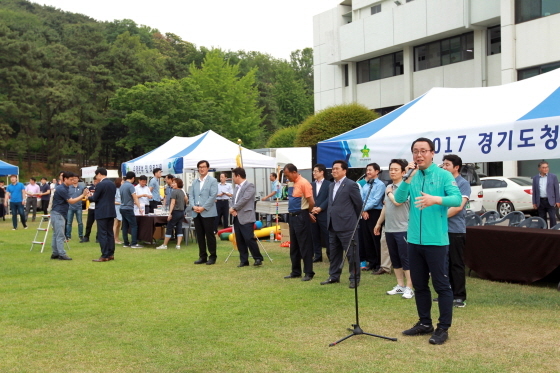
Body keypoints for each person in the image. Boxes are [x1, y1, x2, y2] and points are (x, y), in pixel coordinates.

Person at [395, 137, 462, 345]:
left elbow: (457, 199)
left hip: (436, 241)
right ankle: (425, 323)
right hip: (414, 240)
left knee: (441, 285)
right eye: (415, 151)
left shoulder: (443, 175)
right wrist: (407, 176)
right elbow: (398, 198)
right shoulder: (412, 176)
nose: (419, 155)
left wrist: (436, 200)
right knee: (420, 285)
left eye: (424, 151)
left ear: (432, 153)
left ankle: (443, 328)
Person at [374, 159, 414, 299]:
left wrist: (389, 192)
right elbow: (386, 207)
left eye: (396, 169)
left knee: (406, 259)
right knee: (395, 259)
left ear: (404, 172)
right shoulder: (389, 187)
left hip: (403, 228)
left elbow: (397, 201)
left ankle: (410, 287)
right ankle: (400, 285)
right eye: (391, 169)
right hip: (389, 228)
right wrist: (379, 223)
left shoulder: (407, 187)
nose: (392, 172)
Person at [321, 160, 362, 288]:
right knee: (334, 253)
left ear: (344, 170)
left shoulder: (351, 185)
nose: (334, 171)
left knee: (351, 254)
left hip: (347, 225)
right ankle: (334, 276)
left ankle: (354, 278)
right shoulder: (331, 186)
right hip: (333, 225)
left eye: (337, 169)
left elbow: (358, 204)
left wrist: (352, 220)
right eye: (333, 169)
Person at [441, 154, 471, 308]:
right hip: (441, 229)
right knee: (443, 263)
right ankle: (446, 294)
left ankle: (459, 296)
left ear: (456, 167)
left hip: (455, 230)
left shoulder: (462, 183)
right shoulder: (443, 182)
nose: (444, 167)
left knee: (456, 264)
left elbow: (458, 206)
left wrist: (439, 217)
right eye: (443, 164)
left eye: (447, 165)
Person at [282, 164, 315, 281]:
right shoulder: (291, 183)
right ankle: (295, 271)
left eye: (288, 175)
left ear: (294, 172)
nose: (287, 178)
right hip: (292, 216)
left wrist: (308, 213)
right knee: (294, 246)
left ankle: (308, 272)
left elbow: (311, 201)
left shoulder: (304, 183)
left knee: (304, 245)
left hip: (301, 215)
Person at [50, 172, 90, 260]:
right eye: (71, 179)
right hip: (58, 213)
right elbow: (71, 201)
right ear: (65, 179)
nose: (73, 181)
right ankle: (61, 254)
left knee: (56, 234)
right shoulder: (62, 189)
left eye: (74, 179)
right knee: (60, 234)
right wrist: (83, 195)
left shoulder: (65, 187)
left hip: (58, 212)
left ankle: (55, 253)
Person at [229, 167, 264, 267]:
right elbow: (232, 200)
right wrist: (232, 209)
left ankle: (257, 258)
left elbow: (245, 199)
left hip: (247, 216)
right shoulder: (236, 188)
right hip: (237, 217)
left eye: (233, 176)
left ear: (238, 176)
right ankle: (244, 260)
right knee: (240, 240)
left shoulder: (250, 186)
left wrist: (234, 208)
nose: (233, 178)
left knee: (249, 238)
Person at [189, 160, 218, 265]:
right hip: (196, 212)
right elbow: (191, 195)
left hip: (208, 212)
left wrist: (203, 207)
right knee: (199, 235)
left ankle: (212, 256)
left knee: (209, 235)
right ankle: (202, 256)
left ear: (208, 168)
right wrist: (193, 206)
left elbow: (213, 196)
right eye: (200, 167)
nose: (202, 169)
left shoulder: (213, 180)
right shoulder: (195, 181)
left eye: (204, 167)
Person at [359, 163, 386, 274]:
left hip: (375, 213)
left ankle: (379, 263)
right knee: (367, 238)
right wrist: (363, 211)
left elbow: (376, 200)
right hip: (365, 213)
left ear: (377, 171)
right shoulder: (366, 184)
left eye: (370, 170)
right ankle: (372, 262)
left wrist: (363, 209)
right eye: (367, 170)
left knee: (375, 238)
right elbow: (361, 198)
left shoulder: (380, 185)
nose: (368, 172)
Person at [87, 167, 117, 262]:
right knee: (110, 233)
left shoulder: (100, 185)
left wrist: (89, 196)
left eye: (96, 175)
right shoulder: (113, 184)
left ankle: (104, 255)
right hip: (111, 211)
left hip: (102, 211)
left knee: (102, 233)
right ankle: (111, 253)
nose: (96, 177)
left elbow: (95, 198)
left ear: (99, 174)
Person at [157, 178, 188, 250]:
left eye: (174, 183)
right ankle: (178, 245)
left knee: (169, 227)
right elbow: (186, 200)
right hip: (181, 212)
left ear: (178, 184)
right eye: (173, 183)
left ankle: (164, 245)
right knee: (179, 228)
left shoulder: (174, 192)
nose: (172, 184)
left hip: (176, 212)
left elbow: (172, 203)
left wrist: (170, 213)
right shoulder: (182, 192)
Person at [310, 164, 331, 263]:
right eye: (313, 171)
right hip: (313, 213)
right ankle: (317, 255)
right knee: (314, 235)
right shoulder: (311, 185)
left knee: (327, 235)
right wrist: (312, 208)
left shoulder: (329, 184)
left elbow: (329, 198)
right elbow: (309, 197)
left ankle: (330, 254)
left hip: (324, 213)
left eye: (316, 171)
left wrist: (321, 208)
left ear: (322, 172)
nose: (314, 173)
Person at [120, 171, 145, 249]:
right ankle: (134, 243)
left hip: (122, 207)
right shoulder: (131, 186)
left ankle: (126, 243)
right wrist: (140, 208)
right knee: (134, 225)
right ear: (133, 178)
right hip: (128, 208)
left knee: (125, 226)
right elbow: (135, 197)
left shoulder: (122, 186)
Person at [532, 161, 560, 228]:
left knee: (552, 218)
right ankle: (544, 233)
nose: (545, 169)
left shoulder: (553, 177)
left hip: (551, 201)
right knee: (542, 219)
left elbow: (556, 190)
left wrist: (558, 201)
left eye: (547, 167)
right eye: (543, 167)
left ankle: (553, 234)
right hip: (540, 201)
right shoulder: (535, 178)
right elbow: (534, 191)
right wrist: (534, 202)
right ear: (539, 169)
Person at [65, 175, 85, 242]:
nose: (74, 180)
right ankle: (68, 236)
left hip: (78, 207)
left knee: (80, 222)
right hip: (70, 207)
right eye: (73, 179)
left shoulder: (82, 188)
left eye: (76, 178)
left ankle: (81, 236)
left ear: (78, 179)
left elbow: (86, 195)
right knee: (69, 223)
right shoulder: (69, 187)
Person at [82, 179, 98, 243]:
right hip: (91, 207)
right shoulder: (90, 188)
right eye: (95, 181)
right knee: (89, 223)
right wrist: (90, 197)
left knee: (99, 224)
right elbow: (88, 197)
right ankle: (86, 237)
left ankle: (98, 238)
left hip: (97, 208)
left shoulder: (100, 188)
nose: (96, 182)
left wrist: (91, 198)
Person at [114, 178, 123, 244]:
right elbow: (113, 201)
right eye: (122, 181)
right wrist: (120, 203)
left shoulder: (121, 190)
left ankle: (117, 238)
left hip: (121, 208)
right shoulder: (115, 190)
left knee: (119, 224)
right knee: (116, 223)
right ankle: (113, 239)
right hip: (116, 207)